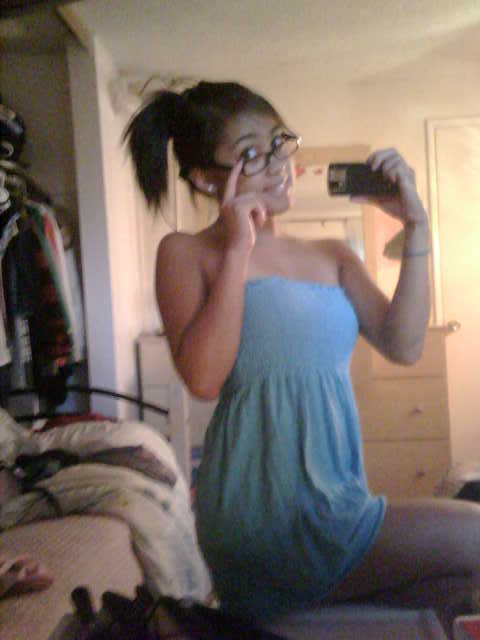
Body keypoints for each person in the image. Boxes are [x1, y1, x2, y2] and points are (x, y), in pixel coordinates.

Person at [124, 81, 480, 635]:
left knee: (451, 599)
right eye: (251, 153)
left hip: (340, 501)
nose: (277, 165)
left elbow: (406, 345)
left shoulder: (332, 255)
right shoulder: (186, 252)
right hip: (259, 515)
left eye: (278, 143)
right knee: (473, 538)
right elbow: (204, 378)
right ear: (206, 178)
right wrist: (239, 248)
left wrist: (416, 225)